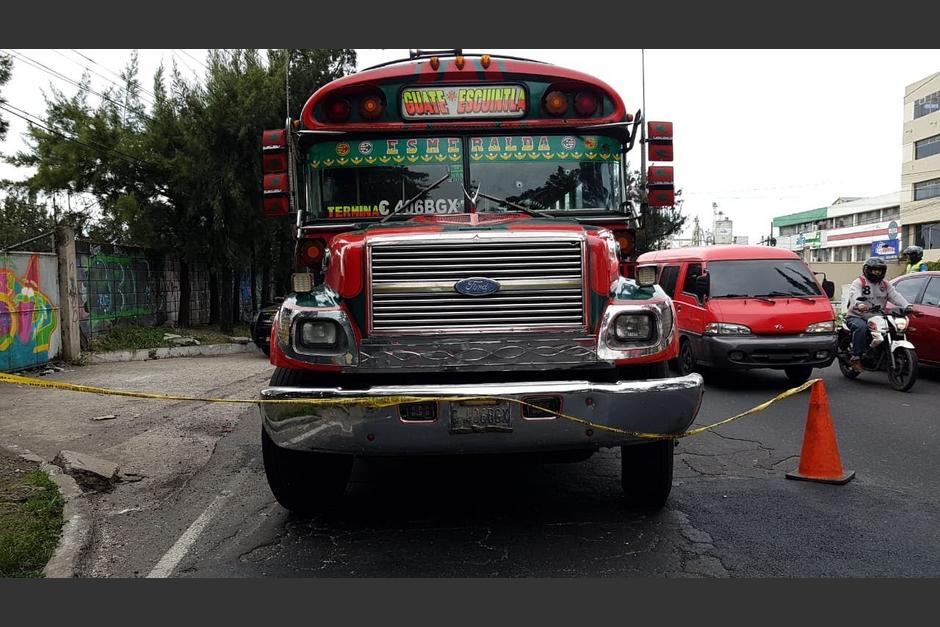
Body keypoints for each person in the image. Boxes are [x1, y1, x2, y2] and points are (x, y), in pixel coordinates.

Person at [842, 257, 911, 372]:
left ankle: (883, 355)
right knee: (861, 328)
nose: (877, 272)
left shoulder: (885, 284)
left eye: (879, 270)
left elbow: (895, 296)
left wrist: (907, 306)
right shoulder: (859, 282)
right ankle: (856, 358)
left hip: (877, 316)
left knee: (891, 328)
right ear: (867, 270)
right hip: (857, 316)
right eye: (874, 270)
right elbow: (854, 296)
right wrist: (859, 305)